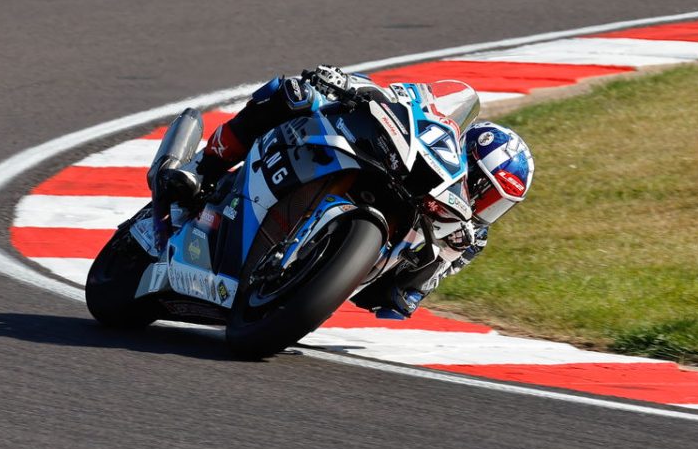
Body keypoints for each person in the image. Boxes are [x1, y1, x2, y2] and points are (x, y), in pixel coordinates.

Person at [186, 65, 534, 320]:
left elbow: (404, 295)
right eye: (480, 188)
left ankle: (294, 276)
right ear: (464, 157)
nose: (482, 205)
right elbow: (404, 98)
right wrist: (347, 83)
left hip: (364, 263)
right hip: (382, 164)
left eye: (496, 203)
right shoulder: (439, 141)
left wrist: (413, 286)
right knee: (294, 93)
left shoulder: (468, 237)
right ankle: (202, 167)